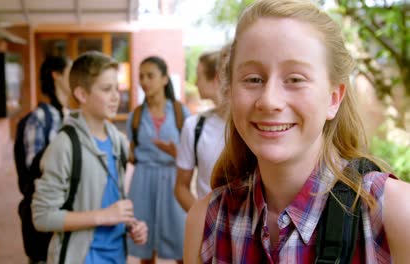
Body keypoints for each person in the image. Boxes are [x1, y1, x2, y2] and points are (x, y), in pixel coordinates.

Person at [184, 0, 410, 263]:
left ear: (333, 99)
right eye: (253, 79)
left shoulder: (392, 214)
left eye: (295, 79)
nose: (269, 101)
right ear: (231, 92)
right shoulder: (206, 222)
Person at [31, 51, 148, 264]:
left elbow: (111, 200)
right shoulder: (64, 145)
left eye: (117, 88)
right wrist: (103, 216)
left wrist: (130, 224)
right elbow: (42, 217)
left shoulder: (118, 142)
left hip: (117, 257)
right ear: (82, 95)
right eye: (106, 89)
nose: (116, 96)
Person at [127, 56, 190, 264]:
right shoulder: (135, 116)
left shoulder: (181, 113)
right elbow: (131, 152)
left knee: (180, 243)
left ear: (164, 79)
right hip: (142, 181)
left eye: (150, 76)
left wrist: (176, 153)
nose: (144, 81)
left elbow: (190, 154)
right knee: (144, 244)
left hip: (173, 181)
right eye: (141, 76)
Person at [16, 56, 71, 264]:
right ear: (56, 76)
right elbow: (35, 169)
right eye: (70, 71)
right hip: (46, 215)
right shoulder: (39, 118)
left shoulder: (68, 115)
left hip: (66, 214)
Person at [174, 49, 227, 212]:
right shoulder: (195, 126)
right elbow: (181, 188)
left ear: (216, 78)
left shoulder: (253, 126)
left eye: (199, 76)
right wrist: (205, 224)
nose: (196, 83)